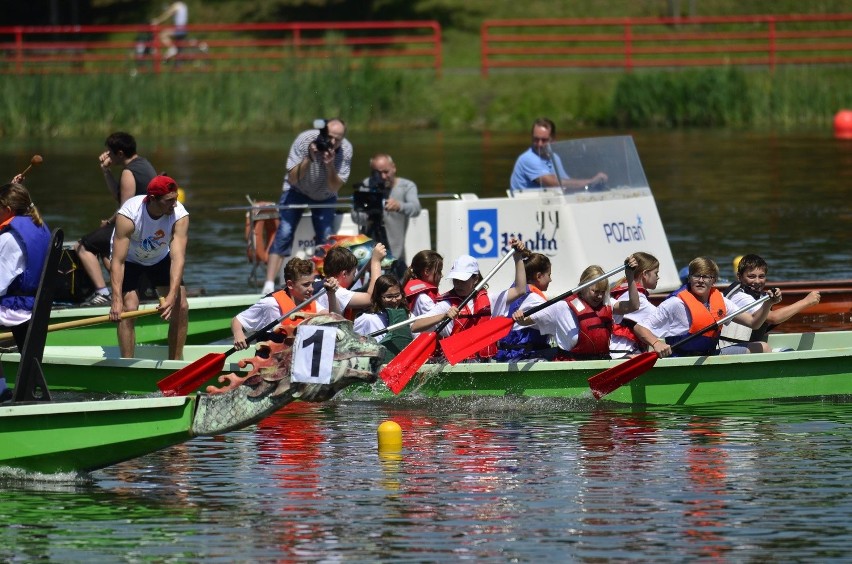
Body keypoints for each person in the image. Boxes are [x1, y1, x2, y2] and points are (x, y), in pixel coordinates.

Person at [263, 118, 354, 295]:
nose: (333, 143)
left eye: (338, 139)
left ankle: (320, 281)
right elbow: (293, 178)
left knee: (325, 236)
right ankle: (268, 283)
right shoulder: (305, 140)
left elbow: (335, 186)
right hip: (297, 189)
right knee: (285, 232)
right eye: (330, 137)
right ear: (323, 133)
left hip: (324, 194)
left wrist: (329, 166)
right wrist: (309, 158)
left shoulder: (346, 150)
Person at [633, 257, 783, 358]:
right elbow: (640, 328)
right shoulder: (675, 303)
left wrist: (768, 303)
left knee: (762, 347)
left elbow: (753, 322)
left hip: (710, 356)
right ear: (689, 278)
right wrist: (656, 343)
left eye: (706, 277)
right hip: (682, 360)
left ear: (714, 280)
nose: (700, 281)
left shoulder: (720, 301)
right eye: (696, 276)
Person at [109, 175, 189, 360]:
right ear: (152, 199)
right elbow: (118, 261)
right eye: (169, 201)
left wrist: (171, 296)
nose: (175, 205)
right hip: (130, 260)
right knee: (129, 308)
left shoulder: (180, 216)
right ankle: (127, 363)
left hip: (160, 257)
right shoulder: (129, 215)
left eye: (175, 199)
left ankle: (174, 363)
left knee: (181, 305)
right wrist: (115, 300)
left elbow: (178, 259)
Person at [76, 132, 157, 307]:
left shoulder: (129, 172)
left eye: (110, 153)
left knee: (83, 246)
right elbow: (119, 195)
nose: (109, 156)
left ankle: (102, 292)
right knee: (105, 248)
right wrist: (106, 171)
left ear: (120, 153)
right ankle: (123, 287)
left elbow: (125, 209)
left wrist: (109, 222)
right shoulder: (144, 164)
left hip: (134, 226)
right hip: (145, 223)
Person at [412, 239, 527, 362]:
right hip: (457, 365)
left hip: (484, 363)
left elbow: (520, 290)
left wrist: (517, 257)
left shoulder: (489, 299)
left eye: (463, 280)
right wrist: (443, 316)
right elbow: (415, 326)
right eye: (456, 280)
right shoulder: (447, 305)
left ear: (476, 279)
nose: (458, 284)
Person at [512, 256, 640, 360]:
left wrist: (630, 276)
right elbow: (528, 320)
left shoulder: (607, 303)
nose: (599, 296)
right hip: (572, 365)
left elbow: (633, 306)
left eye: (602, 291)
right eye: (595, 291)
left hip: (600, 362)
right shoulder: (561, 307)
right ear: (583, 287)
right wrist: (520, 318)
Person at [0, 182, 50, 403]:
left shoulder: (8, 239)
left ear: (7, 209)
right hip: (35, 306)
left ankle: (1, 391)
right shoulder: (39, 225)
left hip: (14, 306)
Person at [719, 253, 821, 347]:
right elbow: (773, 318)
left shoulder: (758, 295)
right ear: (739, 277)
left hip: (744, 347)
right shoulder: (739, 296)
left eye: (761, 276)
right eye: (751, 276)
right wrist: (806, 302)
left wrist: (773, 299)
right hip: (728, 350)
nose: (757, 281)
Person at [231, 257, 328, 351]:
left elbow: (333, 317)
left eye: (312, 283)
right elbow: (238, 320)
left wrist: (331, 293)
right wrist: (238, 334)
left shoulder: (311, 303)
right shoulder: (270, 304)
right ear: (290, 284)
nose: (311, 288)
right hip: (271, 362)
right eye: (306, 285)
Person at [352, 153, 421, 277]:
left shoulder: (406, 186)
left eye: (386, 172)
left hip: (395, 251)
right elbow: (354, 214)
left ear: (393, 168)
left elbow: (416, 208)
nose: (383, 177)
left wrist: (399, 206)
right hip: (370, 249)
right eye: (377, 173)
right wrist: (368, 215)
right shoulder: (366, 185)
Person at [510, 118, 608, 192]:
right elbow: (554, 184)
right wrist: (590, 182)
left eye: (544, 140)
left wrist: (595, 185)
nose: (539, 144)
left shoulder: (554, 157)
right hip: (526, 209)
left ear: (553, 140)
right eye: (536, 139)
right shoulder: (527, 159)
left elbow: (566, 182)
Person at [495, 252, 553, 362]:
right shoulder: (535, 300)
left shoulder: (513, 292)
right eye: (549, 275)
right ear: (539, 276)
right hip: (523, 357)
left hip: (504, 356)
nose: (551, 280)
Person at [610, 252, 661, 358]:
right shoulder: (638, 299)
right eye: (656, 273)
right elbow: (663, 318)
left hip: (623, 352)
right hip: (622, 354)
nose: (658, 277)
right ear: (645, 274)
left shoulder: (623, 290)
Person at [317, 242, 386, 317]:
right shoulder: (338, 292)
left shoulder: (320, 284)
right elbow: (372, 298)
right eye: (353, 274)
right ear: (344, 274)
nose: (354, 277)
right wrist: (376, 261)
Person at [353, 274, 413, 354]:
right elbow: (354, 348)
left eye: (397, 295)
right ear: (378, 297)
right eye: (389, 297)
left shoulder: (406, 315)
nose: (394, 300)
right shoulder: (367, 319)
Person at [401, 250, 443, 318]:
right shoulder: (423, 298)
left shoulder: (419, 294)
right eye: (439, 271)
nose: (441, 275)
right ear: (426, 271)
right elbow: (437, 325)